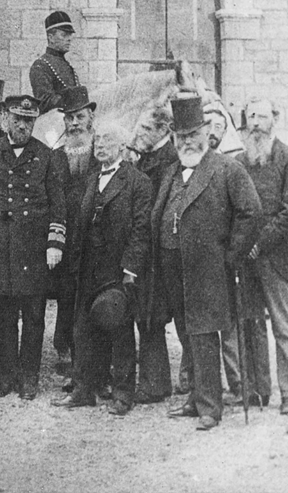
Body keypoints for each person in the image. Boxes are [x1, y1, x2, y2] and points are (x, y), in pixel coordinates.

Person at [155, 96, 261, 431]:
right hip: (173, 265)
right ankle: (196, 397)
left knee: (204, 335)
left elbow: (251, 213)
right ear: (173, 138)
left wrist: (231, 255)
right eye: (181, 136)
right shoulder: (171, 171)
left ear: (206, 134)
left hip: (209, 267)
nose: (187, 141)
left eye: (193, 134)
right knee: (187, 333)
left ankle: (211, 407)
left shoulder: (227, 169)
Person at [53, 119, 151, 415]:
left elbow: (141, 228)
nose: (101, 146)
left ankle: (123, 393)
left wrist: (130, 268)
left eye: (108, 141)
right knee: (82, 329)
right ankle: (83, 389)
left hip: (117, 268)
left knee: (119, 329)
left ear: (122, 147)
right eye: (98, 141)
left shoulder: (138, 182)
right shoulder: (92, 179)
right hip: (87, 267)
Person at [0, 94, 66, 400]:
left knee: (35, 315)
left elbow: (58, 204)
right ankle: (6, 374)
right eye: (17, 119)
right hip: (0, 244)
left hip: (33, 245)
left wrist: (54, 242)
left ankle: (29, 376)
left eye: (28, 120)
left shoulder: (46, 155)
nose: (22, 125)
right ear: (6, 119)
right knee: (5, 313)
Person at [236, 98, 288, 416]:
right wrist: (242, 246)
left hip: (278, 257)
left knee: (283, 326)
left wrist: (260, 243)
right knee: (250, 324)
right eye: (251, 117)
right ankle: (257, 389)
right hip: (248, 260)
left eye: (262, 116)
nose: (256, 123)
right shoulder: (239, 161)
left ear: (274, 120)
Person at [131, 104, 178, 402]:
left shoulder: (167, 161)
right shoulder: (150, 156)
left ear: (164, 130)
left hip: (156, 252)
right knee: (145, 315)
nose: (140, 133)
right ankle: (153, 380)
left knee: (152, 316)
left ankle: (155, 384)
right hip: (146, 250)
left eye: (147, 129)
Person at [49, 86, 97, 373]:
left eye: (79, 117)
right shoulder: (56, 156)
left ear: (90, 117)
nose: (75, 123)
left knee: (89, 293)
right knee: (66, 293)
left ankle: (89, 353)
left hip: (94, 236)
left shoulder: (99, 151)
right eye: (69, 119)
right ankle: (63, 346)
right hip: (66, 235)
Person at [30, 11, 80, 114]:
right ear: (51, 37)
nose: (69, 39)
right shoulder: (41, 65)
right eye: (64, 35)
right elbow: (44, 102)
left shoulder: (66, 65)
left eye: (70, 35)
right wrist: (73, 97)